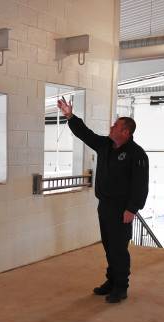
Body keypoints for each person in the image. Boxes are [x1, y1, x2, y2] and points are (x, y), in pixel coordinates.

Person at [56, 97, 149, 304]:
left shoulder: (137, 154)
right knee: (108, 246)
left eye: (116, 125)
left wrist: (132, 209)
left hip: (122, 209)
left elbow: (140, 185)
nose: (111, 127)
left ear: (126, 132)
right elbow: (85, 134)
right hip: (105, 206)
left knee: (119, 248)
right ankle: (111, 281)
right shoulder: (106, 145)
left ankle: (121, 286)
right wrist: (70, 116)